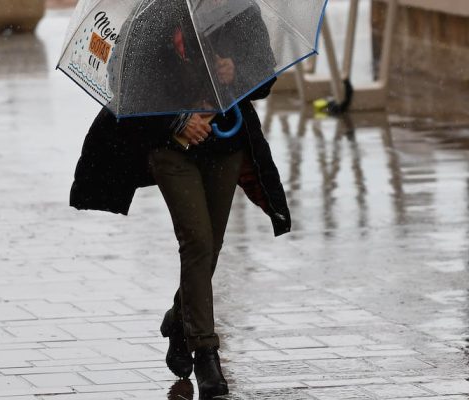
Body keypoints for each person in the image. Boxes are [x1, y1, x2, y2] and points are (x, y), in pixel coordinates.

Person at [70, 1, 288, 398]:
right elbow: (126, 84)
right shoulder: (153, 17)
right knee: (198, 241)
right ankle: (206, 351)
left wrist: (236, 72)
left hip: (225, 143)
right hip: (170, 146)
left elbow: (265, 73)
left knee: (211, 246)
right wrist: (178, 122)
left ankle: (179, 318)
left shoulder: (241, 11)